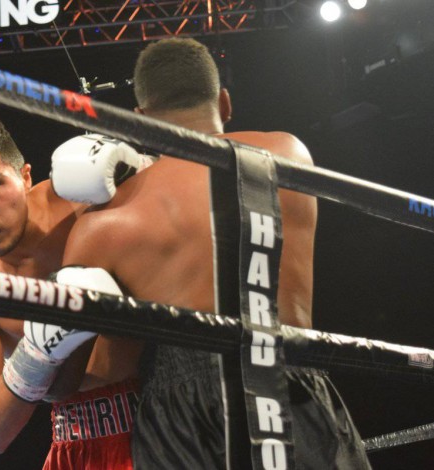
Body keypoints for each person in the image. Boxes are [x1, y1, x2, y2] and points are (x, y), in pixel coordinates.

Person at [57, 38, 371, 468]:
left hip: (177, 425)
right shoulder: (287, 154)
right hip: (288, 385)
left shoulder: (101, 226)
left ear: (139, 120)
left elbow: (66, 383)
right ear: (224, 102)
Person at [0, 113, 145, 469]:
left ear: (25, 176)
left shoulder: (84, 203)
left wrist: (145, 170)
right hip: (80, 440)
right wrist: (38, 350)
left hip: (171, 408)